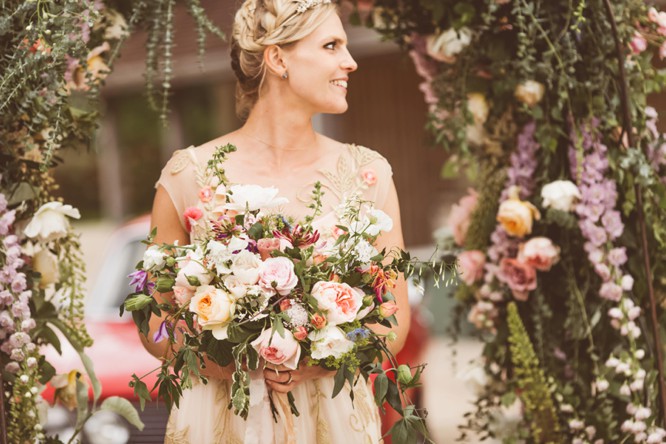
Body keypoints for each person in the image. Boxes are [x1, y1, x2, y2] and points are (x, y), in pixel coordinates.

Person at [141, 0, 410, 442]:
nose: (351, 61)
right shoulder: (188, 175)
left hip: (334, 420)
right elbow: (155, 324)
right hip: (222, 420)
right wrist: (231, 357)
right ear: (278, 58)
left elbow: (393, 322)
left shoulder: (369, 175)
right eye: (331, 45)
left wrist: (315, 359)